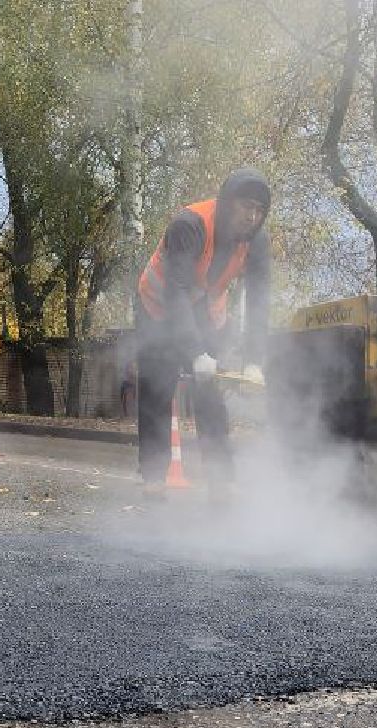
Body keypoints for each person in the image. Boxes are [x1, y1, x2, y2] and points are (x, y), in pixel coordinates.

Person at [133, 167, 272, 493]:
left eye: (259, 210)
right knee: (157, 388)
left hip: (206, 312)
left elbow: (258, 302)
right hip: (159, 307)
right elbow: (176, 291)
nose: (252, 216)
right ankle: (154, 475)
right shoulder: (189, 224)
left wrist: (254, 360)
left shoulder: (257, 241)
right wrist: (195, 353)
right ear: (227, 203)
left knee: (211, 393)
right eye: (245, 206)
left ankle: (221, 478)